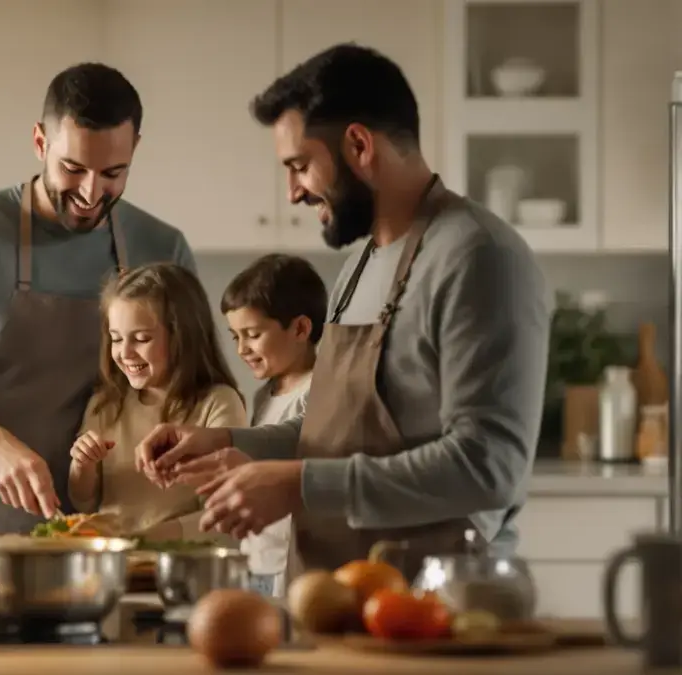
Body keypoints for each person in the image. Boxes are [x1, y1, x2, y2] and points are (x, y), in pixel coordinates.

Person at [137, 43, 550, 581]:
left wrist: (298, 485)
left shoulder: (479, 256)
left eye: (300, 165)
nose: (292, 193)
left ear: (358, 144)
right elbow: (335, 429)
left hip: (436, 603)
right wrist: (232, 442)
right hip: (337, 593)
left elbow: (487, 465)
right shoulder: (358, 264)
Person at [0, 63, 197, 534]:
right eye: (73, 168)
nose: (92, 193)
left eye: (114, 172)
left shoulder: (162, 248)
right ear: (39, 143)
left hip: (120, 535)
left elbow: (197, 388)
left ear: (134, 149)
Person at [67, 263, 245, 542]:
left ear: (182, 337)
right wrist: (82, 465)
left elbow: (226, 510)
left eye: (141, 339)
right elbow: (84, 502)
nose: (124, 353)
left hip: (185, 561)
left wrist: (145, 539)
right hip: (117, 560)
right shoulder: (106, 405)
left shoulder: (218, 403)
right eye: (115, 339)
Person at [200, 253, 328, 597]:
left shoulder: (320, 392)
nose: (242, 349)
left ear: (300, 329)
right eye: (235, 337)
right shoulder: (263, 395)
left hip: (294, 569)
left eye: (253, 334)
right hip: (256, 561)